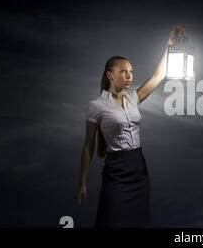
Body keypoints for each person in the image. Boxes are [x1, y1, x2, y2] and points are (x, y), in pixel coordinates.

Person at [76, 26, 185, 228]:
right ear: (110, 75)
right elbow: (88, 145)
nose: (129, 76)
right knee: (111, 221)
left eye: (131, 72)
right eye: (123, 71)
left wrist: (169, 44)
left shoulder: (133, 99)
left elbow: (158, 76)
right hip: (116, 171)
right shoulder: (96, 106)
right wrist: (82, 182)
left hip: (138, 169)